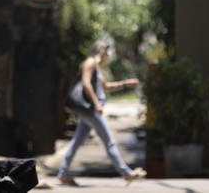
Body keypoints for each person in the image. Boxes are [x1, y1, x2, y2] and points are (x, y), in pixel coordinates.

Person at [57, 39, 146, 185]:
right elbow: (86, 84)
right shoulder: (90, 63)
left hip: (90, 110)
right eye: (107, 52)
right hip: (91, 110)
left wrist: (125, 84)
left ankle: (63, 173)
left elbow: (106, 86)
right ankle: (127, 173)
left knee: (76, 142)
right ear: (101, 51)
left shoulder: (97, 67)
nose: (108, 56)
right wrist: (97, 104)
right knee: (109, 141)